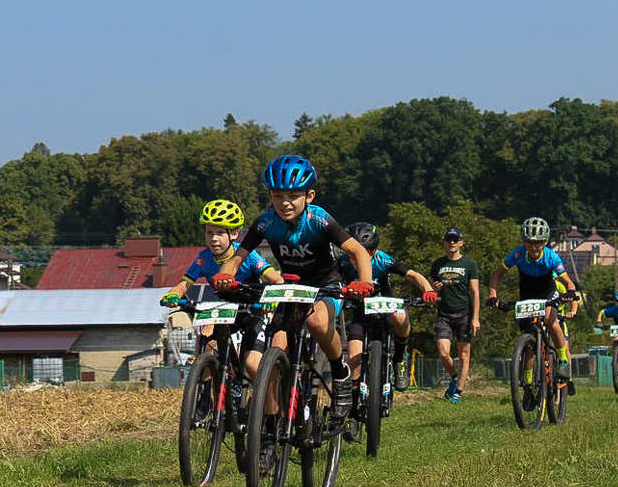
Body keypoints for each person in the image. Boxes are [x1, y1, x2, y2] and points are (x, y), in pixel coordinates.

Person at [213, 155, 374, 420]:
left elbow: (357, 251)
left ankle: (340, 371)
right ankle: (271, 427)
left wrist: (364, 281)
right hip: (290, 290)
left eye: (293, 195)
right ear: (269, 195)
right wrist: (226, 274)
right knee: (273, 357)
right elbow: (238, 255)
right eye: (277, 196)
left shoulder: (319, 220)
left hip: (325, 286)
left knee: (318, 324)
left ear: (309, 196)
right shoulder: (266, 222)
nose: (285, 203)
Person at [160, 199, 283, 370]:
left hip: (253, 311)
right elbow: (184, 283)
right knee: (204, 342)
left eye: (219, 233)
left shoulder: (247, 255)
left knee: (252, 365)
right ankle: (204, 391)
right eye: (209, 232)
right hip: (225, 309)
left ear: (233, 234)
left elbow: (276, 279)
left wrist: (274, 299)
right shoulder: (204, 258)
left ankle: (262, 395)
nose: (213, 239)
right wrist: (172, 295)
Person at [338, 222, 436, 408]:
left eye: (366, 252)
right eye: (354, 253)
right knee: (353, 359)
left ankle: (399, 360)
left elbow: (413, 274)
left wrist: (427, 290)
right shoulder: (342, 262)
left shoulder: (384, 260)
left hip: (385, 307)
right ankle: (353, 408)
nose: (358, 259)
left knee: (401, 317)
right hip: (360, 312)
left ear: (374, 251)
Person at [486, 217, 577, 399]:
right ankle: (528, 386)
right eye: (529, 243)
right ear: (523, 241)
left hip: (547, 293)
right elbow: (497, 274)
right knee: (529, 344)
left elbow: (568, 282)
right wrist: (493, 296)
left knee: (552, 321)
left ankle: (563, 361)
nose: (534, 247)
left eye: (538, 243)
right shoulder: (518, 255)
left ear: (545, 242)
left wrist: (570, 293)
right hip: (527, 295)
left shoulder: (551, 256)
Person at [429, 227, 479, 404]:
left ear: (461, 243)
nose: (451, 243)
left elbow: (474, 291)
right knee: (443, 352)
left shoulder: (469, 264)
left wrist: (475, 318)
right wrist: (434, 289)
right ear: (444, 242)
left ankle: (458, 391)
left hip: (464, 315)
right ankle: (454, 376)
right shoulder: (437, 264)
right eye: (448, 239)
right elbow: (431, 286)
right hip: (444, 314)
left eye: (455, 240)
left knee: (464, 354)